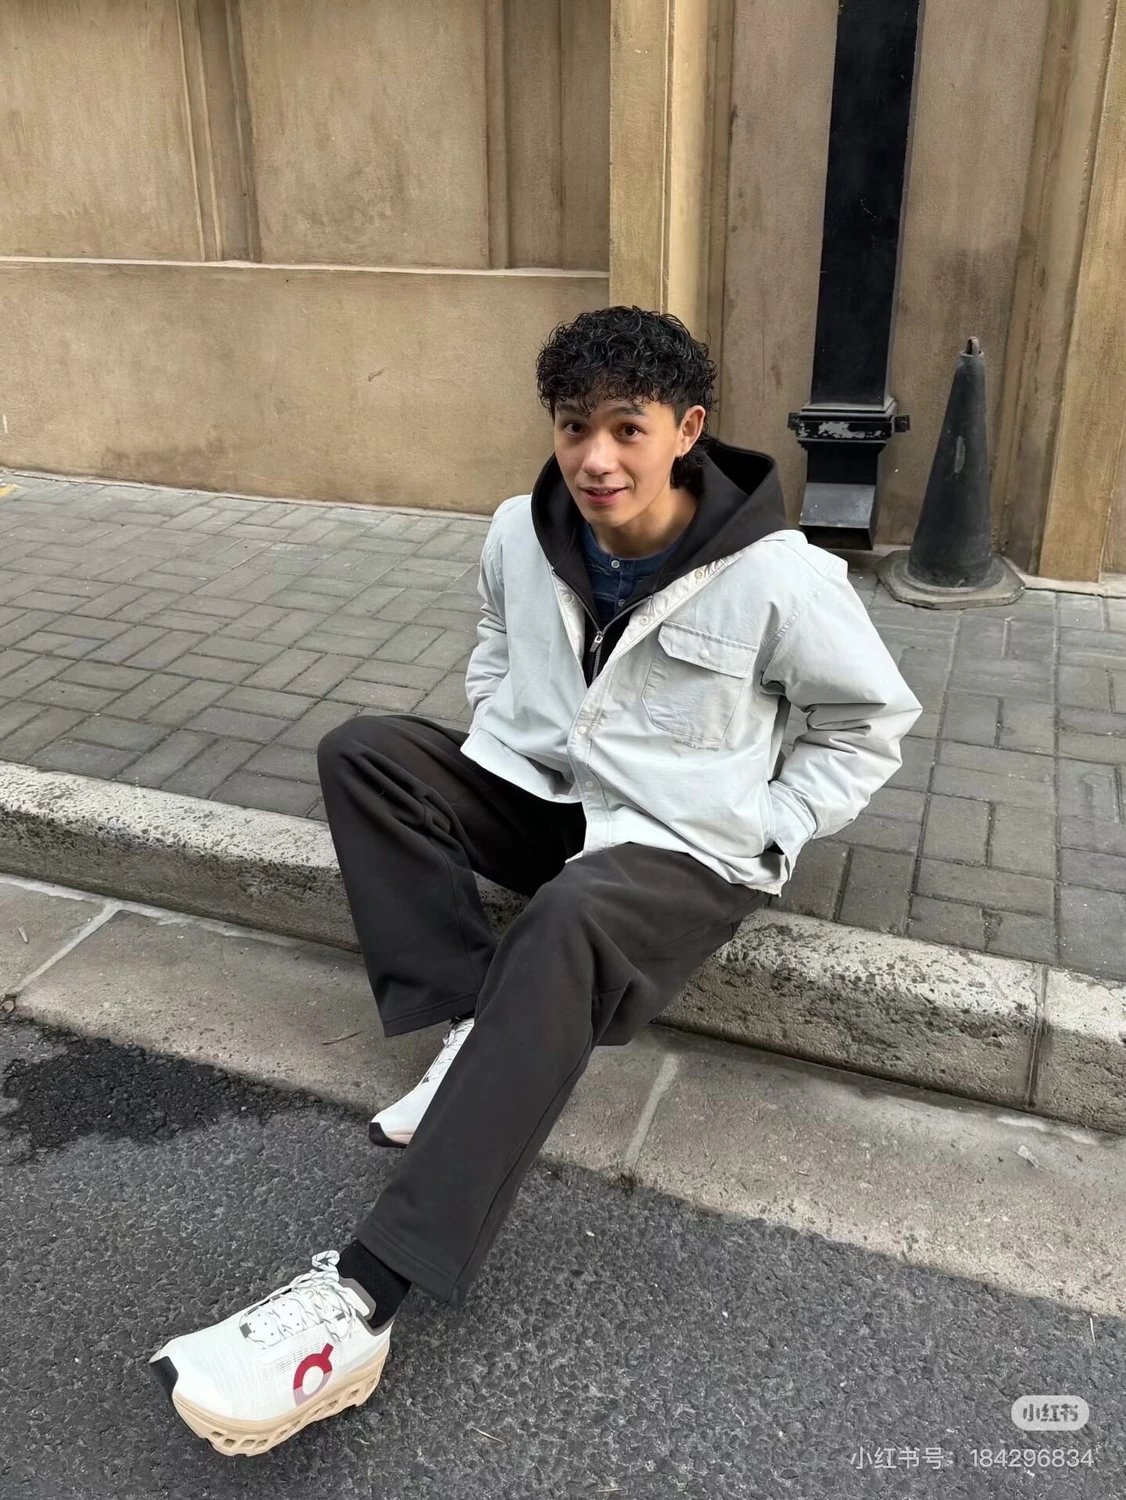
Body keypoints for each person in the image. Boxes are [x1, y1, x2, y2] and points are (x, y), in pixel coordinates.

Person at [147, 306, 923, 1455]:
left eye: (626, 429)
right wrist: (503, 726)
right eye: (573, 427)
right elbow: (494, 635)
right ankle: (475, 1020)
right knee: (366, 752)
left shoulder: (778, 576)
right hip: (555, 801)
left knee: (563, 924)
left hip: (686, 842)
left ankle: (362, 1299)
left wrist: (772, 822)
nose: (595, 457)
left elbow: (866, 723)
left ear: (686, 431)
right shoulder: (522, 531)